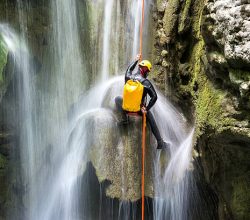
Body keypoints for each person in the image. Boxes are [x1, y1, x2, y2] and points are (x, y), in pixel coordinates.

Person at [115, 55, 170, 150]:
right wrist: (146, 108)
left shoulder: (128, 77)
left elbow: (129, 69)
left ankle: (125, 120)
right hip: (138, 110)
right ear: (145, 70)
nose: (148, 73)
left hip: (126, 108)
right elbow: (154, 97)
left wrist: (136, 60)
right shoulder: (145, 82)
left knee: (117, 99)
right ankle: (160, 142)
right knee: (150, 116)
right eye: (148, 71)